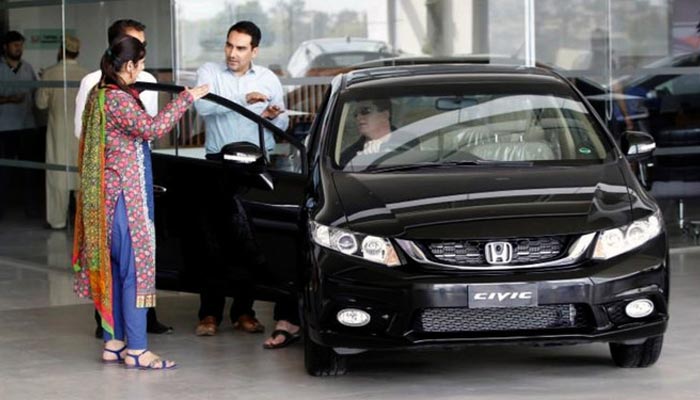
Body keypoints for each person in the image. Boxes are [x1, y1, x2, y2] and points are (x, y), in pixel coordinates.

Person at [72, 35, 209, 369]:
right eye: (142, 64)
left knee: (116, 272)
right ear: (129, 65)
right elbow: (151, 129)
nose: (143, 70)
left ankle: (114, 343)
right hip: (124, 201)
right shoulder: (117, 99)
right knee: (134, 274)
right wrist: (185, 99)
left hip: (105, 199)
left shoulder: (98, 94)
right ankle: (138, 350)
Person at [73, 19, 169, 336]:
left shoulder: (141, 81)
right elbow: (147, 129)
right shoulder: (99, 87)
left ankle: (128, 330)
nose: (142, 56)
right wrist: (186, 100)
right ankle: (127, 340)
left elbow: (146, 134)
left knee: (131, 260)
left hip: (135, 175)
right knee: (125, 263)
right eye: (136, 47)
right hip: (115, 182)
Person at [193, 20, 288, 337]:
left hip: (254, 165)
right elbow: (204, 107)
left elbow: (283, 122)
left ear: (254, 50)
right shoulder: (209, 72)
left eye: (241, 48)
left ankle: (244, 311)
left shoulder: (268, 78)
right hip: (218, 164)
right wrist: (244, 100)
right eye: (229, 45)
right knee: (211, 242)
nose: (232, 53)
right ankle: (208, 314)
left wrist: (273, 116)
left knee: (249, 241)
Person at [35, 35, 88, 230]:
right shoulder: (87, 74)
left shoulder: (49, 73)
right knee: (81, 177)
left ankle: (57, 221)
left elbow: (40, 104)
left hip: (58, 133)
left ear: (60, 51)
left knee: (57, 177)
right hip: (81, 133)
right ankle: (82, 222)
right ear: (78, 52)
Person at [0, 31, 38, 219]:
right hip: (5, 126)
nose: (18, 48)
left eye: (20, 45)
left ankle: (31, 207)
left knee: (29, 171)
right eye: (15, 45)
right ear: (5, 47)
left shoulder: (27, 68)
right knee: (4, 170)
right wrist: (8, 99)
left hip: (27, 125)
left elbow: (37, 93)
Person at [339, 99, 394, 166]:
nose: (358, 117)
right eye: (355, 114)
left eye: (365, 111)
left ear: (384, 115)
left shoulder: (408, 142)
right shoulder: (348, 156)